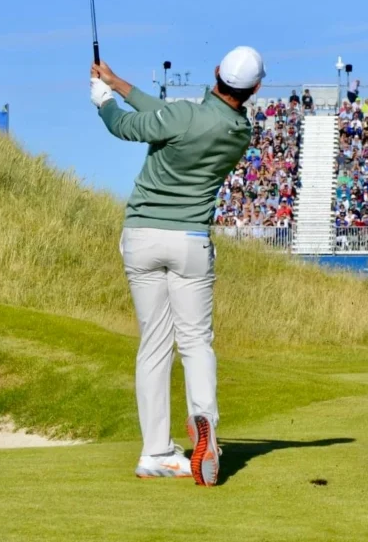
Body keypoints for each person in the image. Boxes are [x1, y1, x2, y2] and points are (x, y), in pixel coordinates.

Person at [90, 46, 265, 486]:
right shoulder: (238, 131)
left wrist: (103, 101)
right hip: (189, 242)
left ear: (215, 73)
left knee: (154, 344)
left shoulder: (185, 115)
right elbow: (164, 113)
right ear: (255, 89)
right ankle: (203, 420)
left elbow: (128, 127)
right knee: (195, 342)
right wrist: (116, 81)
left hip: (143, 237)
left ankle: (155, 453)